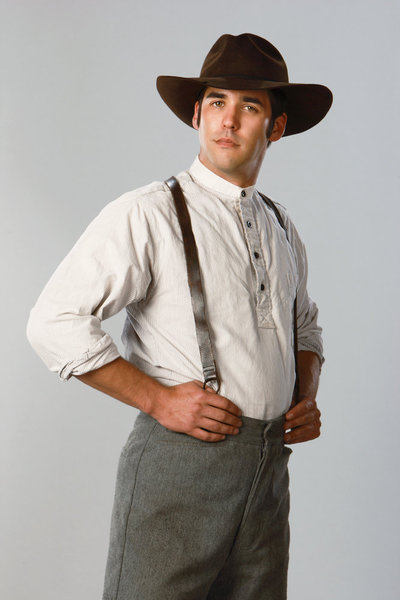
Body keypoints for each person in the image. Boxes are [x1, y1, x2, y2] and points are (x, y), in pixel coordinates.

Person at [27, 33, 332, 600]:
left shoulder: (281, 226)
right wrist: (158, 399)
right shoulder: (149, 212)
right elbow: (53, 321)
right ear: (196, 115)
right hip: (180, 467)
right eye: (216, 102)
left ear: (277, 127)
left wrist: (305, 393)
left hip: (268, 475)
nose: (228, 120)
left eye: (250, 106)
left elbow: (305, 325)